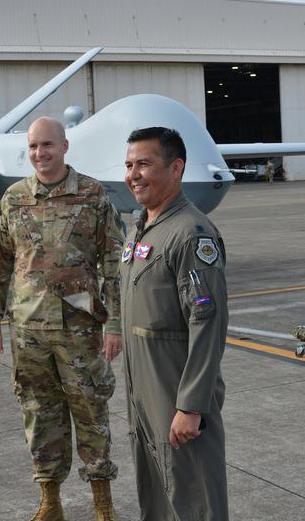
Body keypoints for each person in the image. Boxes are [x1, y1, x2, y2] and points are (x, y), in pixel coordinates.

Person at [0, 116, 124, 521]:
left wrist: (112, 324)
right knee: (38, 413)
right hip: (28, 331)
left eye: (47, 145)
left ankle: (103, 503)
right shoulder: (13, 199)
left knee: (91, 411)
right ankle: (50, 501)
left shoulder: (93, 196)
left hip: (81, 327)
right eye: (32, 147)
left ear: (64, 146)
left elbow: (113, 263)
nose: (39, 154)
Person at [120, 126, 229, 520]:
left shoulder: (189, 233)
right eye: (130, 164)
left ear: (176, 168)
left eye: (145, 164)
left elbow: (208, 320)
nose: (133, 174)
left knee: (193, 497)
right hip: (144, 391)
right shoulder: (144, 229)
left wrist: (191, 404)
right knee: (157, 495)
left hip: (176, 393)